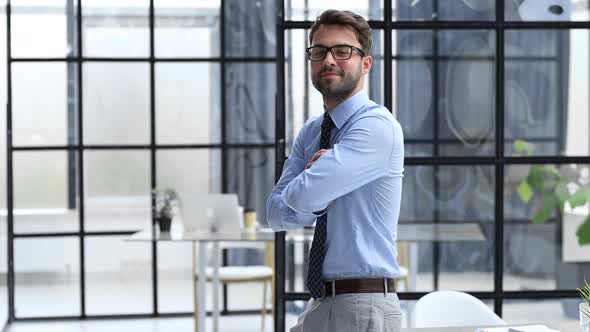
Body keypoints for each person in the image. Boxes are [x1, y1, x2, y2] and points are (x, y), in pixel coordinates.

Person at [266, 9, 405, 332]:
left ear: (365, 63)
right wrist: (316, 185)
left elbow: (302, 193)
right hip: (320, 303)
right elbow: (275, 213)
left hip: (364, 304)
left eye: (343, 51)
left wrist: (311, 189)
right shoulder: (313, 131)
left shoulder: (376, 126)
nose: (329, 60)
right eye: (319, 51)